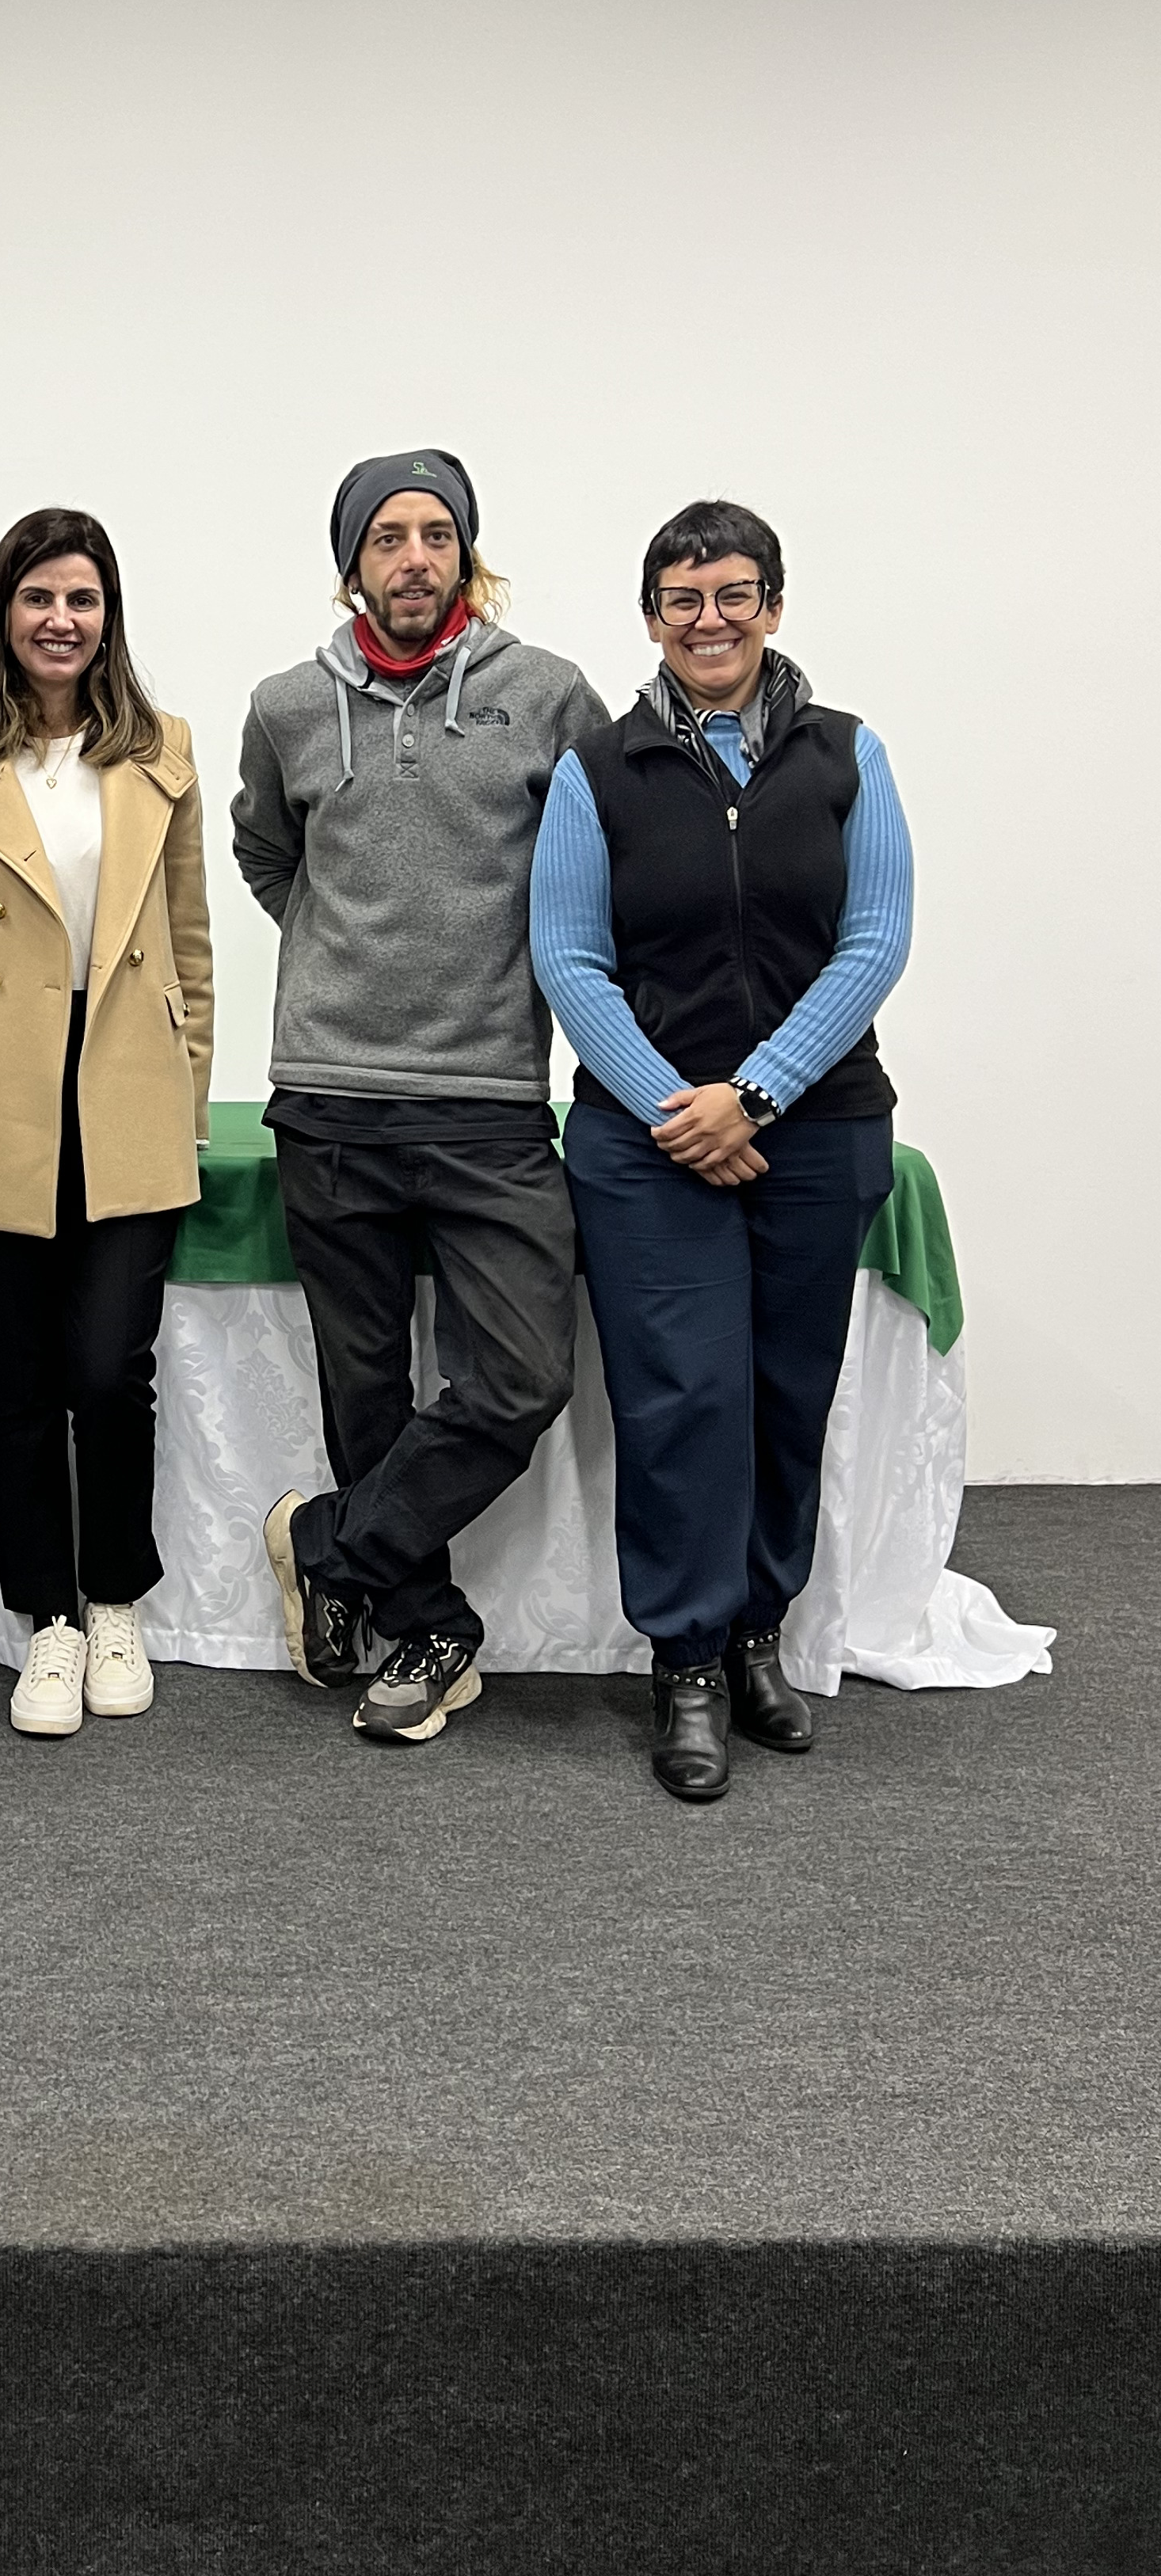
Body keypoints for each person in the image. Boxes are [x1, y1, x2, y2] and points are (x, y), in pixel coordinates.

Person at [531, 499, 910, 1803]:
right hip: (646, 1146)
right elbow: (568, 958)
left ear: (772, 607)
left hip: (818, 1129)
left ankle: (757, 1636)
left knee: (785, 1392)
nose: (709, 619)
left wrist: (753, 1095)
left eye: (733, 594)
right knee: (681, 1398)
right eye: (683, 599)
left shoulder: (846, 755)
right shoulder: (596, 771)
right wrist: (674, 1108)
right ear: (651, 618)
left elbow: (875, 940)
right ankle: (685, 1660)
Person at [240, 452, 607, 1748]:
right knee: (364, 1394)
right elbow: (267, 854)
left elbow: (597, 862)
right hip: (329, 1105)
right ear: (352, 562)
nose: (412, 557)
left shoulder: (549, 696)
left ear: (464, 554)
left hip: (489, 1104)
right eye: (386, 537)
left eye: (434, 534)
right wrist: (339, 961)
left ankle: (326, 1548)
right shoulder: (287, 706)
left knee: (520, 1377)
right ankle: (429, 1628)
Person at [0, 508, 213, 1738]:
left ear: (108, 616)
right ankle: (48, 1621)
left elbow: (188, 943)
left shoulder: (163, 751)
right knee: (19, 1380)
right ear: (4, 611)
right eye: (38, 597)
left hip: (127, 1084)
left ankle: (116, 1598)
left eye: (83, 598)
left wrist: (188, 1093)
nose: (61, 620)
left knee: (108, 1370)